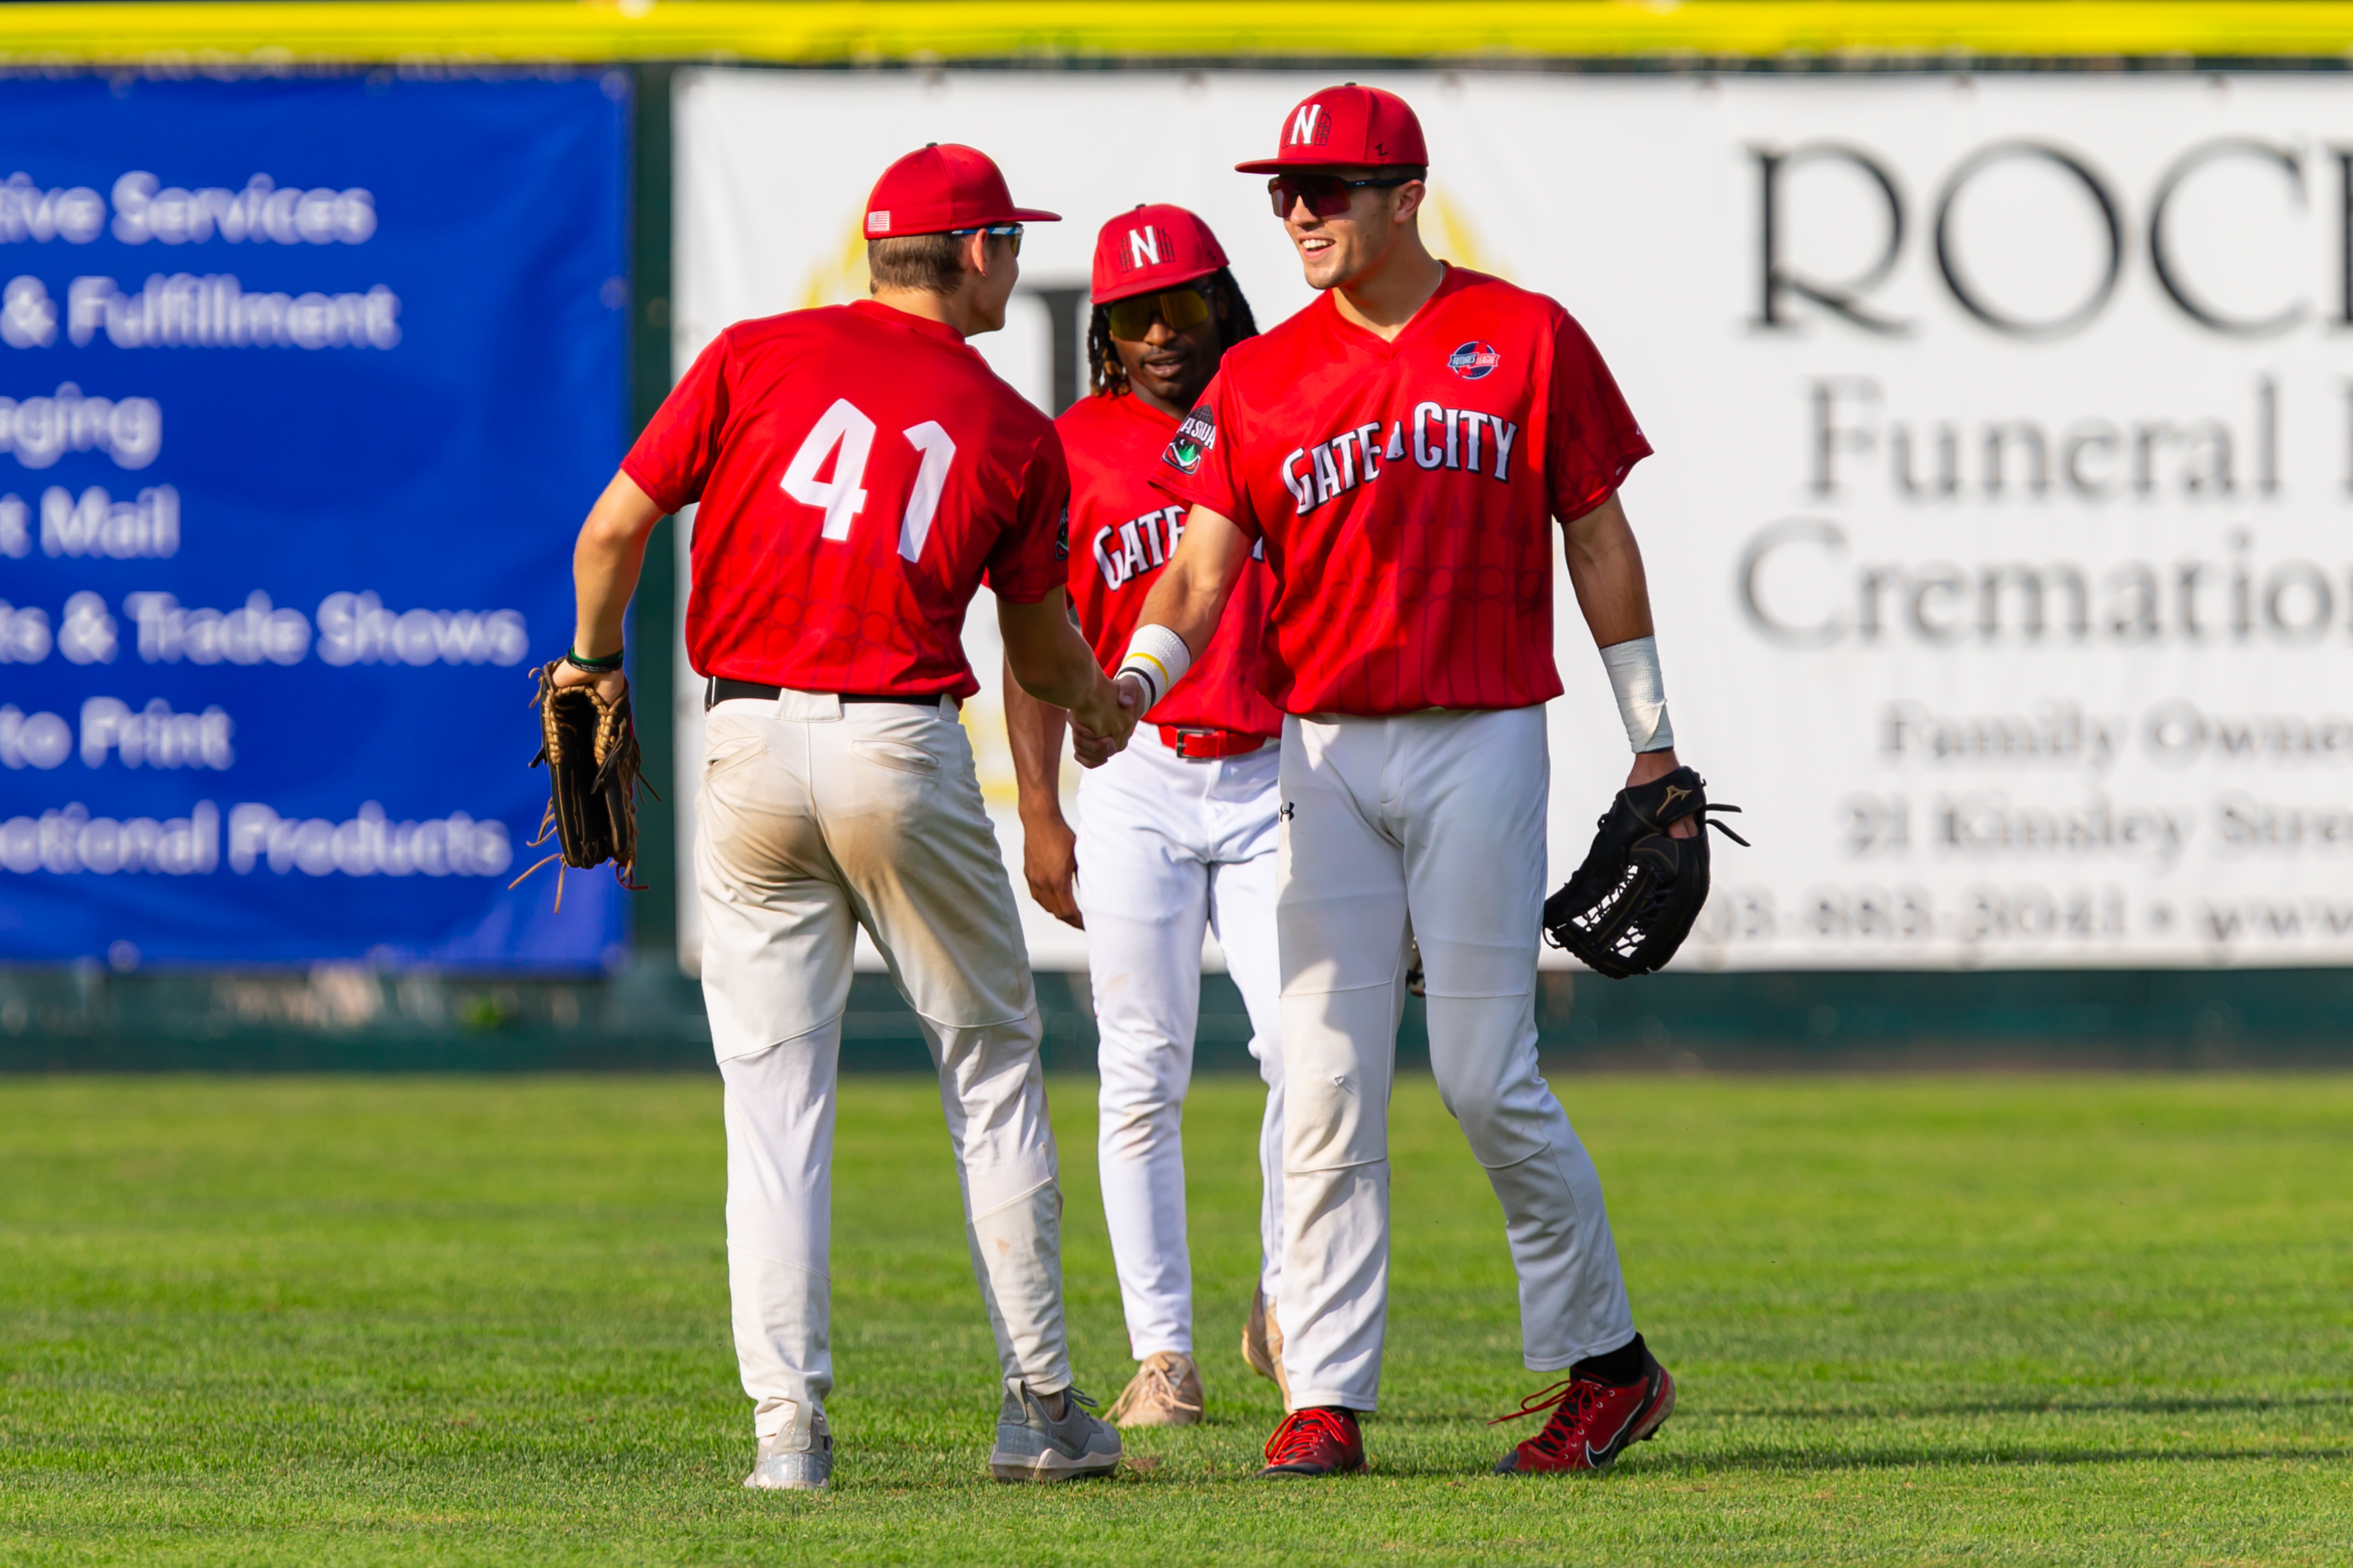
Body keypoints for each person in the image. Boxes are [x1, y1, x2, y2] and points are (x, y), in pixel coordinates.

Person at [555, 143, 1137, 1490]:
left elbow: (607, 537)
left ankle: (786, 1439)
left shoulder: (753, 355)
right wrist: (1101, 706)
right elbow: (1043, 658)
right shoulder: (1009, 428)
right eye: (1011, 243)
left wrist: (590, 666)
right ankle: (1040, 1409)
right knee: (987, 1066)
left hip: (745, 738)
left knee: (771, 1103)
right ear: (982, 252)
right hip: (895, 742)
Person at [1122, 84, 1684, 1479]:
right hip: (1317, 747)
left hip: (1481, 733)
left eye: (1325, 186)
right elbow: (1202, 569)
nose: (1295, 210)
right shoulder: (1258, 378)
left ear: (1401, 193)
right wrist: (1135, 679)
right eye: (1282, 189)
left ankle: (1608, 1368)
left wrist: (1653, 738)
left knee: (1488, 1077)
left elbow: (1598, 541)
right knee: (1316, 1079)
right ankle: (1321, 1393)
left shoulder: (1526, 335)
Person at [1001, 204, 1288, 1428]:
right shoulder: (1069, 446)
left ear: (1224, 302)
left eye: (1181, 303)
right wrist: (1038, 807)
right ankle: (1163, 1353)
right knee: (1140, 1070)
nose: (1161, 330)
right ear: (1104, 330)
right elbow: (1031, 641)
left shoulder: (1283, 408)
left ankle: (1289, 1302)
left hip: (1283, 770)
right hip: (1136, 776)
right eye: (1133, 312)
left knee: (1306, 1058)